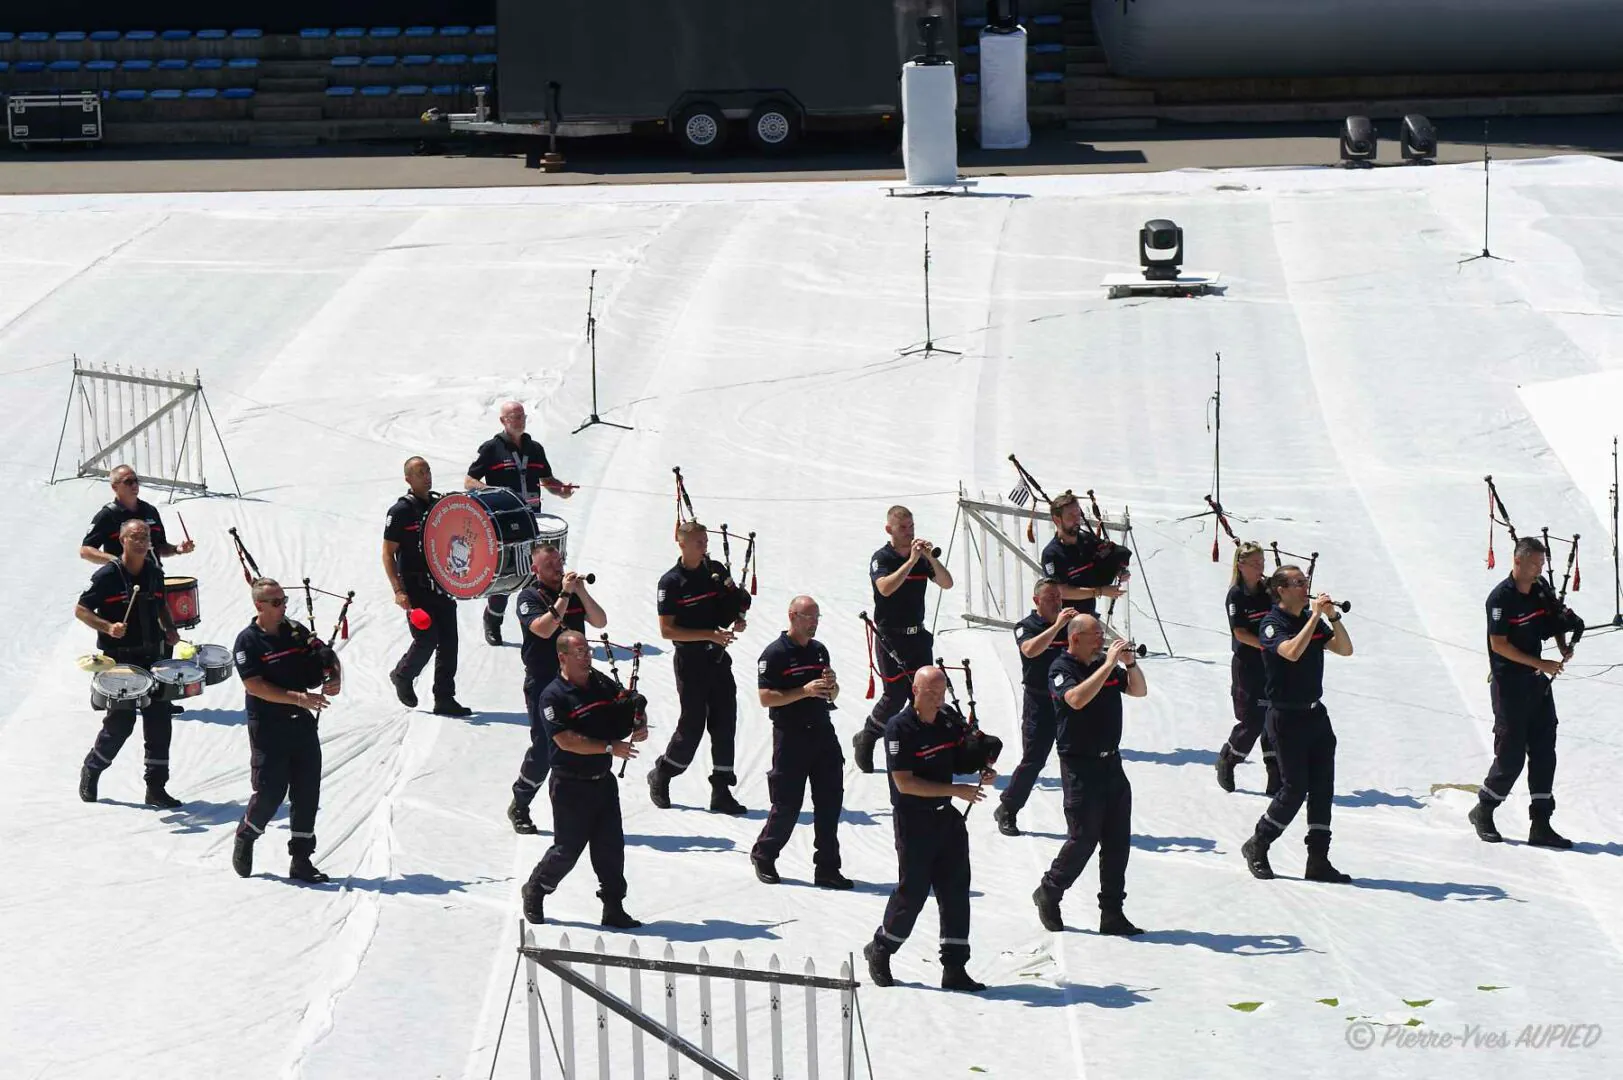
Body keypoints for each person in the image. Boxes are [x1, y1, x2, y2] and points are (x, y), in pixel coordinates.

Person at [863, 667, 993, 994]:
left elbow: (960, 757)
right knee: (914, 892)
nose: (937, 699)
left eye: (941, 693)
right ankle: (881, 948)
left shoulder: (947, 720)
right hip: (914, 820)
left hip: (946, 820)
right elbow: (904, 783)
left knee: (955, 891)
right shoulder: (899, 729)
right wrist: (954, 791)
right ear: (915, 691)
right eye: (930, 693)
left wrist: (982, 766)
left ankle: (954, 967)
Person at [520, 632, 645, 929]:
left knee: (611, 847)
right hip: (570, 785)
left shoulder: (599, 681)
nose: (587, 657)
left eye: (588, 652)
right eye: (580, 653)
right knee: (567, 850)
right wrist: (609, 747)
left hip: (603, 780)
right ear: (563, 657)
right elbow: (565, 740)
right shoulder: (553, 696)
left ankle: (613, 906)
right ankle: (536, 889)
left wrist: (638, 716)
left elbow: (626, 701)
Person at [1031, 616, 1148, 935]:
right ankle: (1050, 891)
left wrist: (1129, 665)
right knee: (1083, 837)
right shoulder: (1061, 668)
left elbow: (1139, 691)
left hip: (1112, 763)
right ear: (1075, 639)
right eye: (1095, 635)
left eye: (1102, 635)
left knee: (1117, 840)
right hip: (1080, 765)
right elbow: (1076, 700)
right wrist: (1109, 664)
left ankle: (1112, 912)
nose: (1101, 640)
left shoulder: (1105, 666)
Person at [1239, 566, 1355, 883]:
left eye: (1306, 582)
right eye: (1298, 583)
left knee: (1322, 789)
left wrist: (1333, 617)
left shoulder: (1311, 620)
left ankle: (1318, 859)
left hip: (1315, 715)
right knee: (1294, 789)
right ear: (1280, 590)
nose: (1306, 587)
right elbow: (1289, 652)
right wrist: (1314, 617)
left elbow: (1345, 649)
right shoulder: (1271, 623)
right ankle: (1258, 843)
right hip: (1285, 717)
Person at [231, 577, 341, 884]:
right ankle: (247, 834)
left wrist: (334, 678)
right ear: (259, 606)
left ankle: (302, 859)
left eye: (284, 601)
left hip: (302, 723)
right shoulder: (247, 641)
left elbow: (327, 657)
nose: (282, 607)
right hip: (268, 725)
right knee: (270, 792)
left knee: (307, 792)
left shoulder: (296, 632)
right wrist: (299, 698)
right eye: (276, 602)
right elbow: (255, 686)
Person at [1470, 537, 1575, 848]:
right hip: (1510, 686)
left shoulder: (1539, 590)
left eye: (1541, 565)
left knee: (1544, 752)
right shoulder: (1500, 599)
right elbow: (1499, 645)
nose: (1538, 570)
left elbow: (1552, 619)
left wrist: (1562, 645)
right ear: (1518, 562)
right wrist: (1541, 662)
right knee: (1512, 755)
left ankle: (1540, 824)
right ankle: (1484, 809)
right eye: (1534, 565)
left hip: (1537, 685)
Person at [76, 520, 183, 809]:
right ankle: (93, 768)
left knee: (160, 722)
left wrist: (170, 628)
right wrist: (108, 626)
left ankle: (156, 787)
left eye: (146, 536)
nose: (142, 540)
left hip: (154, 655)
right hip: (120, 659)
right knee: (121, 723)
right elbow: (81, 610)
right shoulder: (107, 576)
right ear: (122, 541)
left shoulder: (154, 572)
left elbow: (161, 605)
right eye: (136, 536)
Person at [750, 596, 853, 889]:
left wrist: (831, 687)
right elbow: (765, 698)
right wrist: (804, 691)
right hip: (790, 735)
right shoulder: (775, 654)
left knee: (830, 802)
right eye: (809, 617)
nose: (814, 623)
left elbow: (831, 695)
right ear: (792, 616)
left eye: (817, 618)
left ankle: (828, 868)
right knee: (787, 804)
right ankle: (764, 854)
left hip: (822, 732)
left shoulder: (819, 651)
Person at [646, 521, 749, 814]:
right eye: (698, 543)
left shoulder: (714, 571)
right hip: (691, 662)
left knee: (725, 721)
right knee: (692, 725)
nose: (704, 547)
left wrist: (737, 617)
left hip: (717, 658)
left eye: (705, 541)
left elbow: (726, 608)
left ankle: (721, 790)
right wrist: (709, 635)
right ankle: (663, 773)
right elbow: (667, 630)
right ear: (681, 544)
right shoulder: (671, 582)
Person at [508, 544, 607, 834]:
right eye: (549, 564)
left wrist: (581, 592)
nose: (557, 567)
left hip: (576, 681)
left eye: (559, 561)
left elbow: (600, 620)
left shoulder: (573, 593)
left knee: (584, 740)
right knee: (545, 748)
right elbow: (543, 629)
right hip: (543, 682)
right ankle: (521, 802)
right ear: (535, 569)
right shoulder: (529, 596)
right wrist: (564, 595)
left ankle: (580, 810)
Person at [464, 401, 576, 646]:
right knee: (507, 573)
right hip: (506, 521)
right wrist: (491, 490)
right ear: (503, 421)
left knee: (537, 572)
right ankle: (493, 621)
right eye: (514, 417)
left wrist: (562, 490)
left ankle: (543, 624)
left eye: (522, 416)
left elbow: (547, 480)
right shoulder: (491, 448)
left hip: (533, 519)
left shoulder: (534, 448)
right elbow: (469, 481)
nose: (520, 420)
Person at [853, 505, 954, 773]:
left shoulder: (921, 559)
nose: (909, 532)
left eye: (911, 526)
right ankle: (868, 736)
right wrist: (910, 562)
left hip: (917, 635)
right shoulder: (882, 558)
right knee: (895, 695)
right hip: (891, 636)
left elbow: (947, 583)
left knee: (922, 694)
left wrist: (930, 559)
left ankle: (917, 748)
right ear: (889, 530)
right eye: (903, 528)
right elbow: (885, 588)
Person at [384, 457, 470, 718]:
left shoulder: (439, 506)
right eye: (420, 473)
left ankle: (444, 697)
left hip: (441, 585)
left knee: (449, 642)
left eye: (428, 471)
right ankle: (403, 674)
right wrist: (399, 591)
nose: (426, 476)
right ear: (408, 479)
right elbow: (388, 554)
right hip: (415, 588)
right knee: (426, 639)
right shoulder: (399, 512)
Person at [994, 580, 1075, 836]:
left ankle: (1080, 818)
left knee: (1074, 760)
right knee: (1033, 760)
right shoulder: (1025, 627)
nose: (1056, 602)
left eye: (1058, 597)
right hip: (1039, 702)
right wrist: (1058, 626)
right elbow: (1030, 650)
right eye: (1050, 597)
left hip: (1067, 703)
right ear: (1036, 601)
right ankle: (1008, 808)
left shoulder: (1070, 625)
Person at [1215, 542, 1280, 796]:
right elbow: (1240, 632)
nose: (1260, 568)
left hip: (1271, 663)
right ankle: (1229, 759)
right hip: (1248, 664)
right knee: (1252, 719)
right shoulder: (1237, 595)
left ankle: (1275, 773)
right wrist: (1266, 645)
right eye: (1255, 564)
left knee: (1274, 719)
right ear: (1241, 565)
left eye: (1262, 563)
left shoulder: (1267, 590)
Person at [78, 464, 196, 568]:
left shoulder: (150, 511)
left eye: (136, 481)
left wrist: (176, 549)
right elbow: (86, 551)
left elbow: (159, 547)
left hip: (154, 580)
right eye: (128, 482)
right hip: (124, 582)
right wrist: (116, 561)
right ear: (114, 487)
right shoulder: (108, 515)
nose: (134, 485)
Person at [1040, 491, 1128, 615]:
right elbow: (1061, 591)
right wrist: (1100, 591)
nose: (1077, 520)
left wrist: (1119, 571)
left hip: (1088, 615)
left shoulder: (1087, 541)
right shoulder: (1052, 554)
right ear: (1057, 520)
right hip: (1064, 620)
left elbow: (1105, 560)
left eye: (1078, 514)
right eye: (1071, 516)